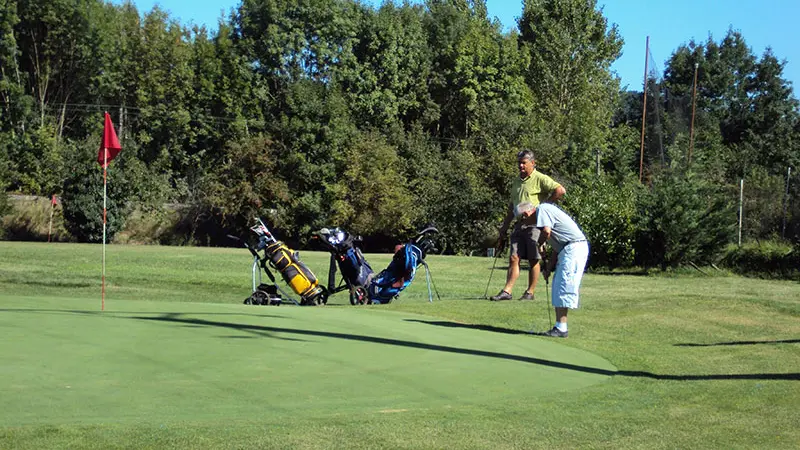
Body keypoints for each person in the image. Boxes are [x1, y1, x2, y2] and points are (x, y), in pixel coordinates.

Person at [490, 150, 565, 301]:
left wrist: (543, 208)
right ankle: (507, 291)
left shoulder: (539, 178)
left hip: (535, 225)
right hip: (520, 224)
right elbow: (512, 206)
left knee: (533, 258)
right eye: (519, 162)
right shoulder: (516, 181)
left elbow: (560, 190)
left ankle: (530, 292)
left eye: (524, 163)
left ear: (533, 163)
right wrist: (504, 227)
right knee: (513, 257)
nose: (521, 166)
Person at [519, 201, 588, 338]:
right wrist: (548, 268)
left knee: (564, 285)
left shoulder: (543, 209)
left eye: (523, 219)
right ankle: (560, 326)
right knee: (558, 285)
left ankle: (561, 328)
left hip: (574, 248)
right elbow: (557, 249)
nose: (523, 223)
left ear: (527, 213)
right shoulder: (543, 217)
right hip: (568, 249)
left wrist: (539, 244)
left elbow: (546, 232)